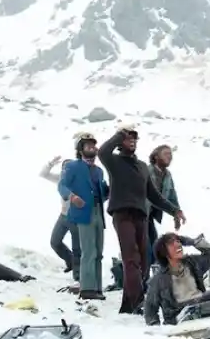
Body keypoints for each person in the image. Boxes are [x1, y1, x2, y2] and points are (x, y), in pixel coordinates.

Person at [98, 127, 186, 314]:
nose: (132, 140)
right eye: (127, 138)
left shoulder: (142, 167)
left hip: (141, 216)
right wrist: (119, 135)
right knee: (131, 259)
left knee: (144, 262)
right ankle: (138, 302)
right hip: (122, 214)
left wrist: (174, 210)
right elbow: (102, 152)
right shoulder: (114, 161)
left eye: (134, 138)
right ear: (120, 143)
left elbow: (154, 195)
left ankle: (128, 305)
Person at [58, 133, 109, 300]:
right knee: (88, 251)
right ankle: (87, 288)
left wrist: (110, 190)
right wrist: (72, 197)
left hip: (98, 211)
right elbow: (62, 185)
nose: (92, 148)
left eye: (94, 145)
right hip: (83, 212)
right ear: (80, 149)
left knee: (99, 252)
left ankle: (97, 288)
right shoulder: (73, 166)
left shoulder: (99, 171)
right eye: (88, 146)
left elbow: (102, 192)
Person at [143, 232, 210, 325]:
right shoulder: (158, 280)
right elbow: (150, 309)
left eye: (178, 241)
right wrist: (156, 327)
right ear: (163, 252)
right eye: (171, 243)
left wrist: (192, 242)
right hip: (180, 318)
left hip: (202, 309)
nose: (178, 245)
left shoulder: (193, 263)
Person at [40, 152, 80, 282]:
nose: (65, 171)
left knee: (77, 247)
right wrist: (51, 163)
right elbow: (43, 174)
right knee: (55, 242)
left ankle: (78, 275)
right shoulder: (60, 179)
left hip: (76, 218)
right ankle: (70, 261)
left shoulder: (79, 180)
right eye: (64, 168)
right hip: (63, 216)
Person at [146, 144, 181, 270]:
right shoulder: (146, 171)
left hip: (150, 215)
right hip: (140, 213)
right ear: (156, 156)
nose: (169, 156)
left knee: (153, 243)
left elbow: (172, 195)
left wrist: (177, 213)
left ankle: (153, 270)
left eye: (170, 154)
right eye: (166, 153)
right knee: (146, 244)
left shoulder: (167, 175)